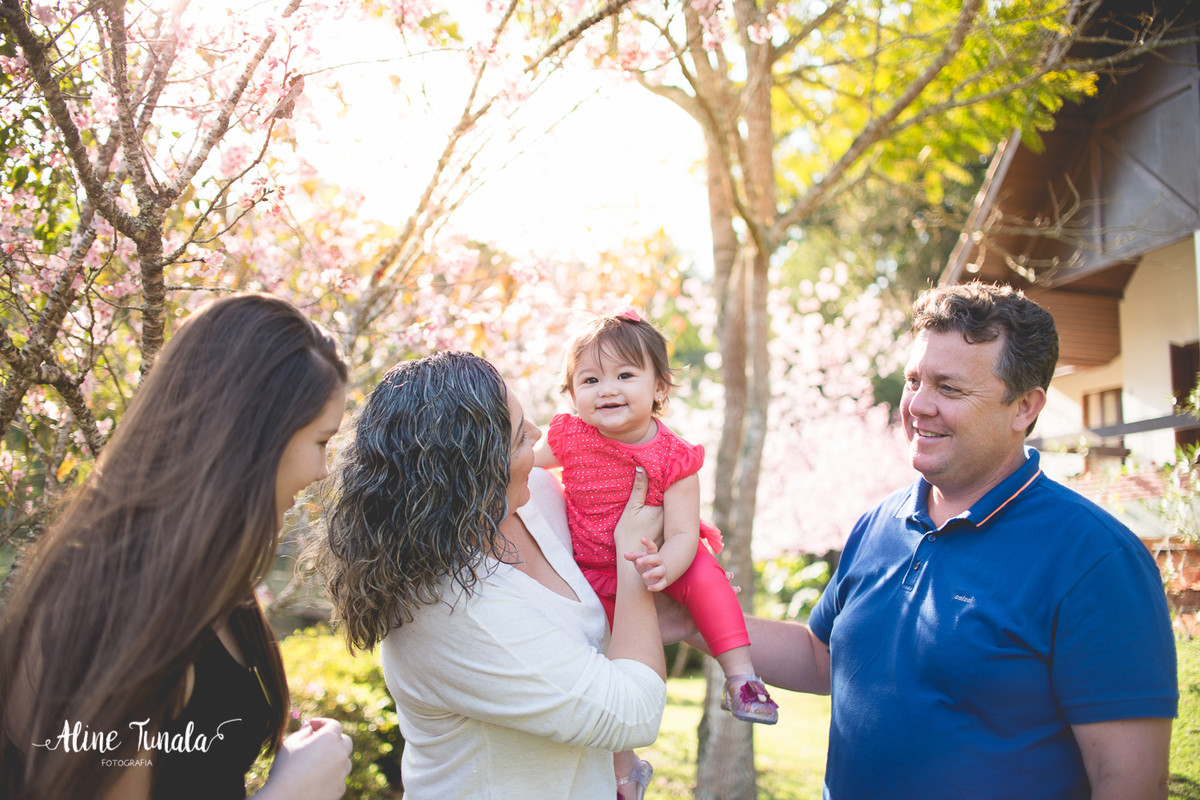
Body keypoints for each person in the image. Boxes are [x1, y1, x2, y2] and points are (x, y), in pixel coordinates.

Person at [744, 281, 1179, 799]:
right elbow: (824, 657)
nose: (918, 406)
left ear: (1024, 408)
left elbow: (1129, 781)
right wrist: (693, 615)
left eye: (948, 389)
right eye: (913, 380)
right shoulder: (878, 523)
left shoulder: (1097, 558)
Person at [0, 293, 354, 800]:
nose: (322, 471)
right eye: (321, 442)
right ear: (255, 436)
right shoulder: (111, 610)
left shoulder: (210, 590)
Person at [312, 351, 667, 800]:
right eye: (520, 437)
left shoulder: (530, 495)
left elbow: (598, 632)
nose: (539, 434)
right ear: (472, 476)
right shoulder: (450, 605)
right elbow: (634, 714)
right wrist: (634, 554)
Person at [534, 310, 776, 724]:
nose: (607, 389)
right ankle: (623, 770)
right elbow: (522, 464)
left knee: (707, 574)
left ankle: (741, 678)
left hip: (663, 556)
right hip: (593, 571)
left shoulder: (675, 456)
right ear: (572, 395)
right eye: (590, 380)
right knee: (609, 665)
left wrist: (665, 566)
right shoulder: (570, 437)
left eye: (625, 375)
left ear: (659, 386)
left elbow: (683, 532)